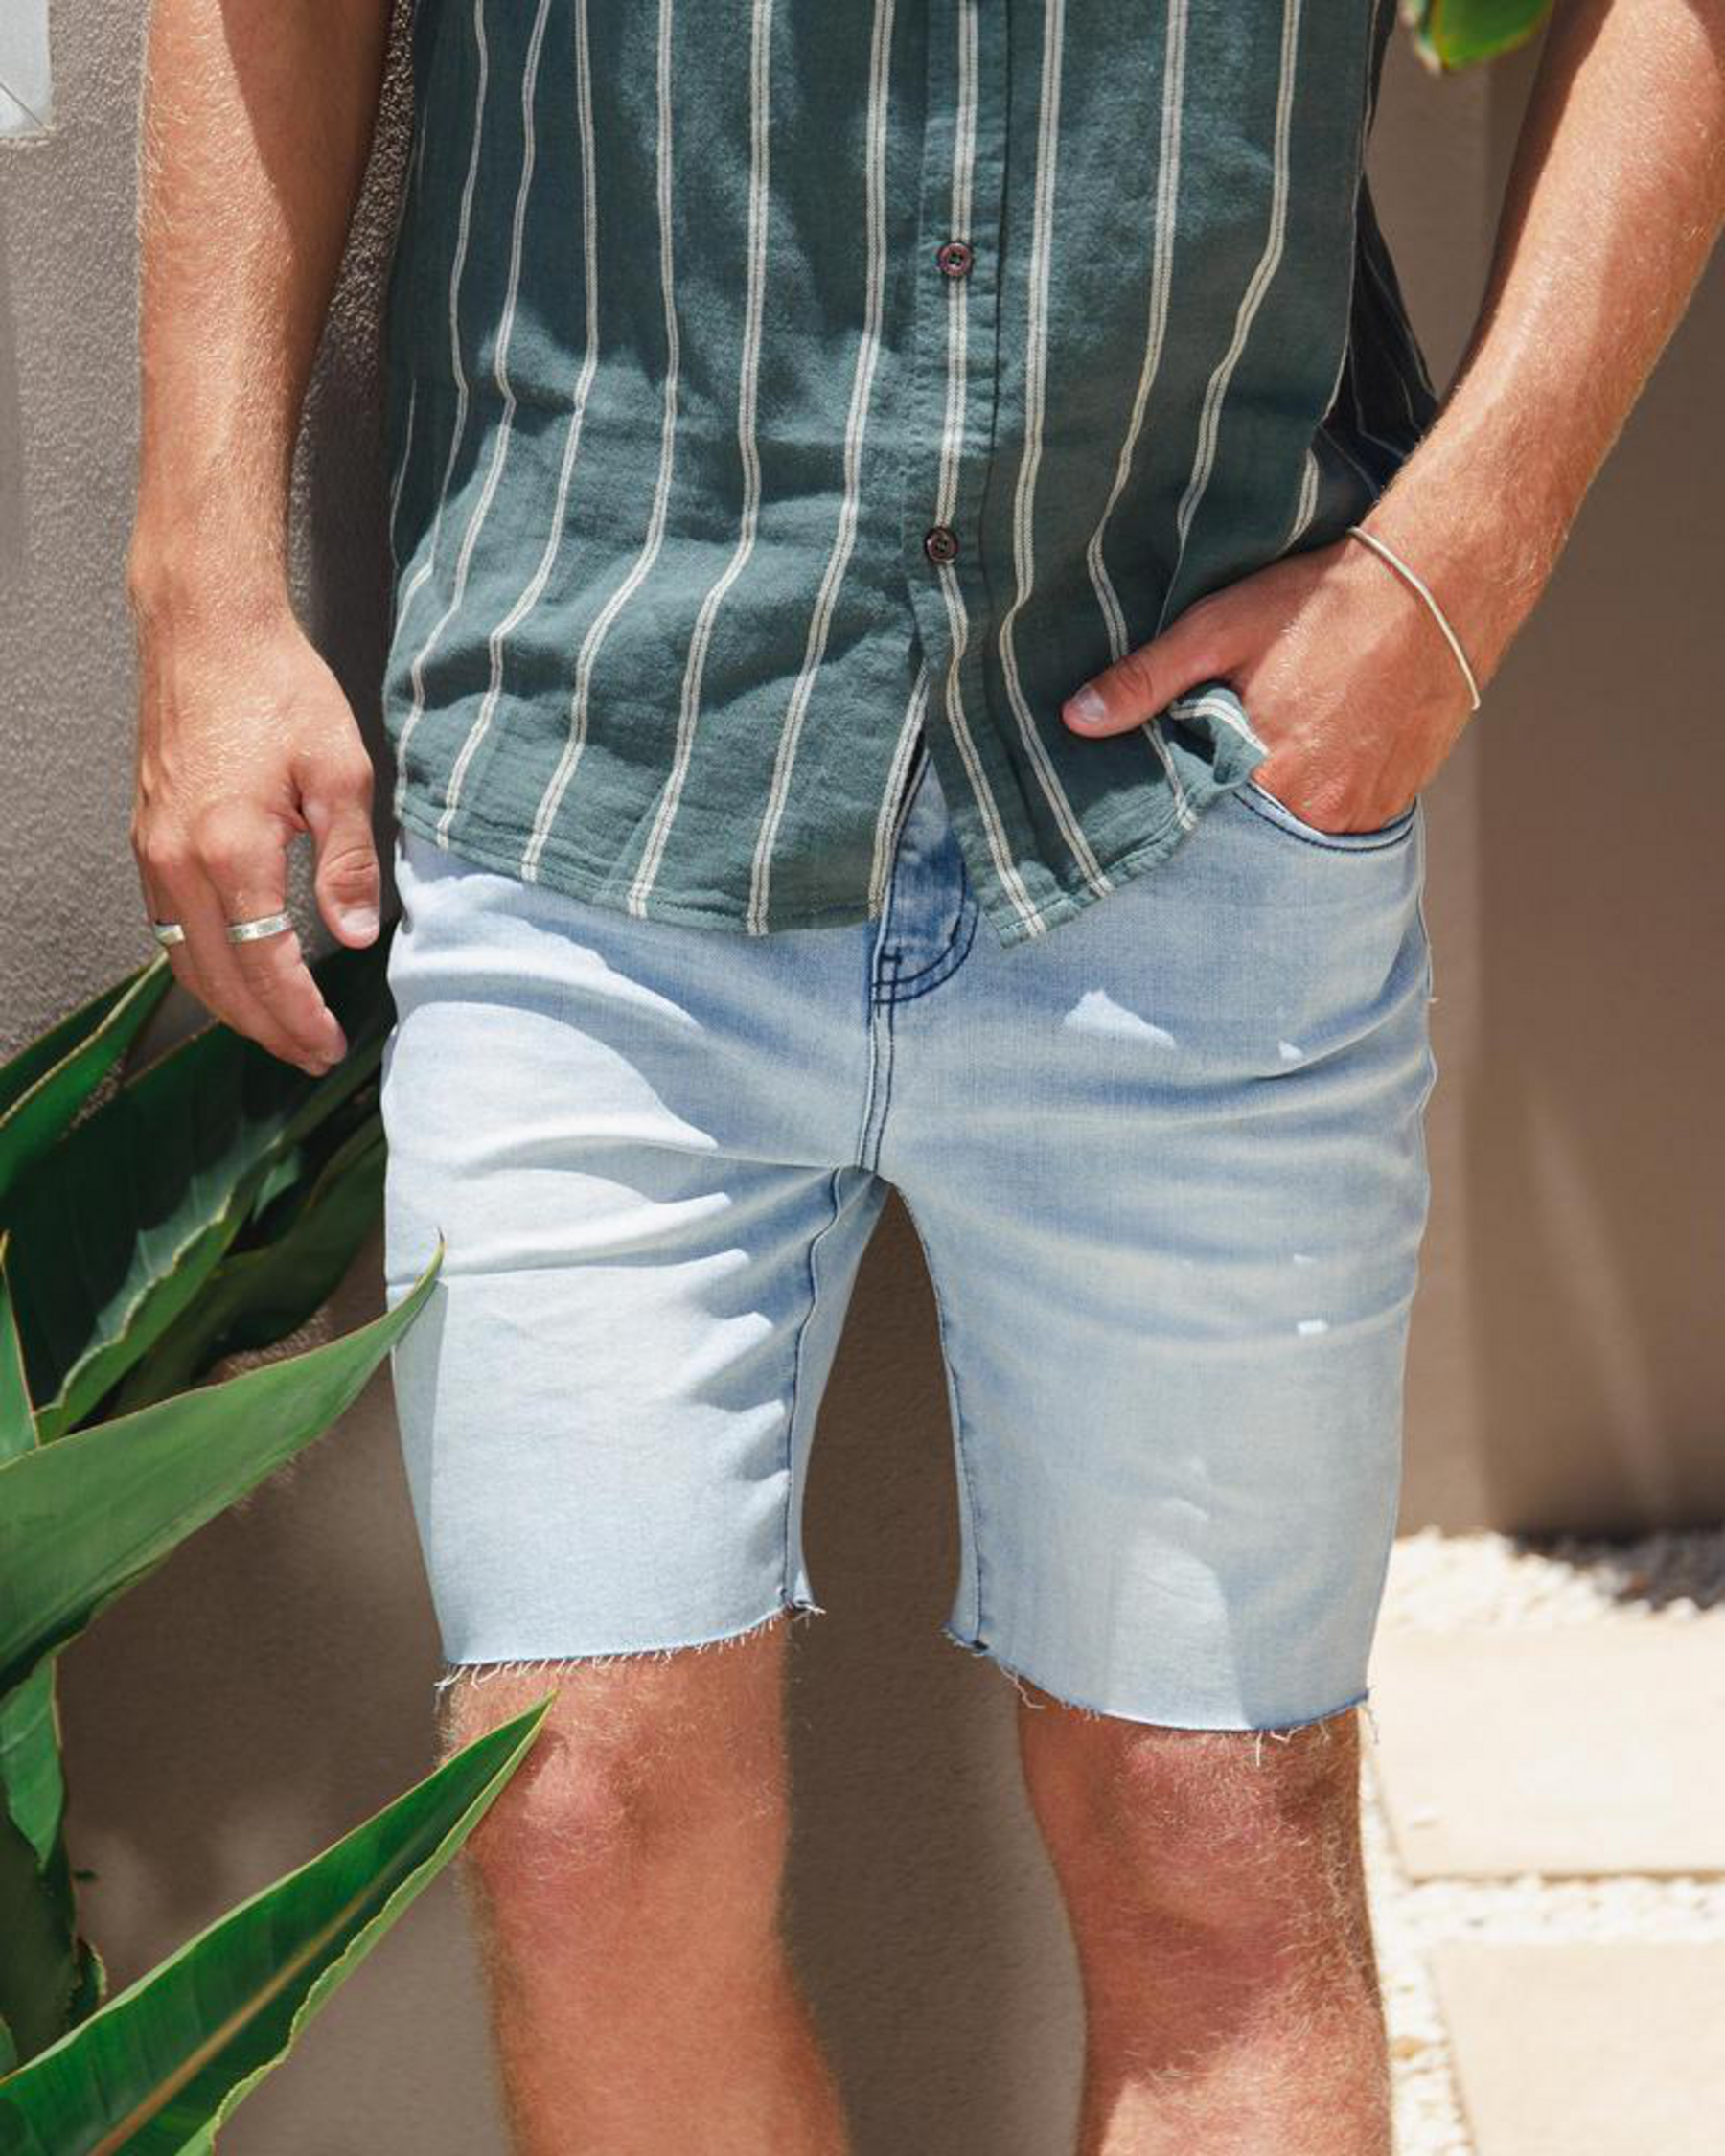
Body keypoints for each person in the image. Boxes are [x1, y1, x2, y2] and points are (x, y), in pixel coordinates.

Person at [125, 0, 1723, 2147]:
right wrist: (202, 588)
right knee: (579, 1827)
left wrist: (1460, 566)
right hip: (595, 737)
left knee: (1219, 1840)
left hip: (1191, 773)